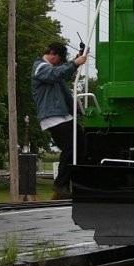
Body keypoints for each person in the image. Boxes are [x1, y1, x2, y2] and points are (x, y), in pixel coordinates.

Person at [31, 42, 87, 199]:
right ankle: (60, 186)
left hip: (60, 116)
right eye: (59, 60)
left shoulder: (49, 69)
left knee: (80, 142)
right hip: (53, 117)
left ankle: (69, 185)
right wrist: (74, 63)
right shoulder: (40, 67)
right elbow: (56, 74)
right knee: (71, 147)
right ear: (53, 53)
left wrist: (76, 60)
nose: (59, 63)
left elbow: (63, 73)